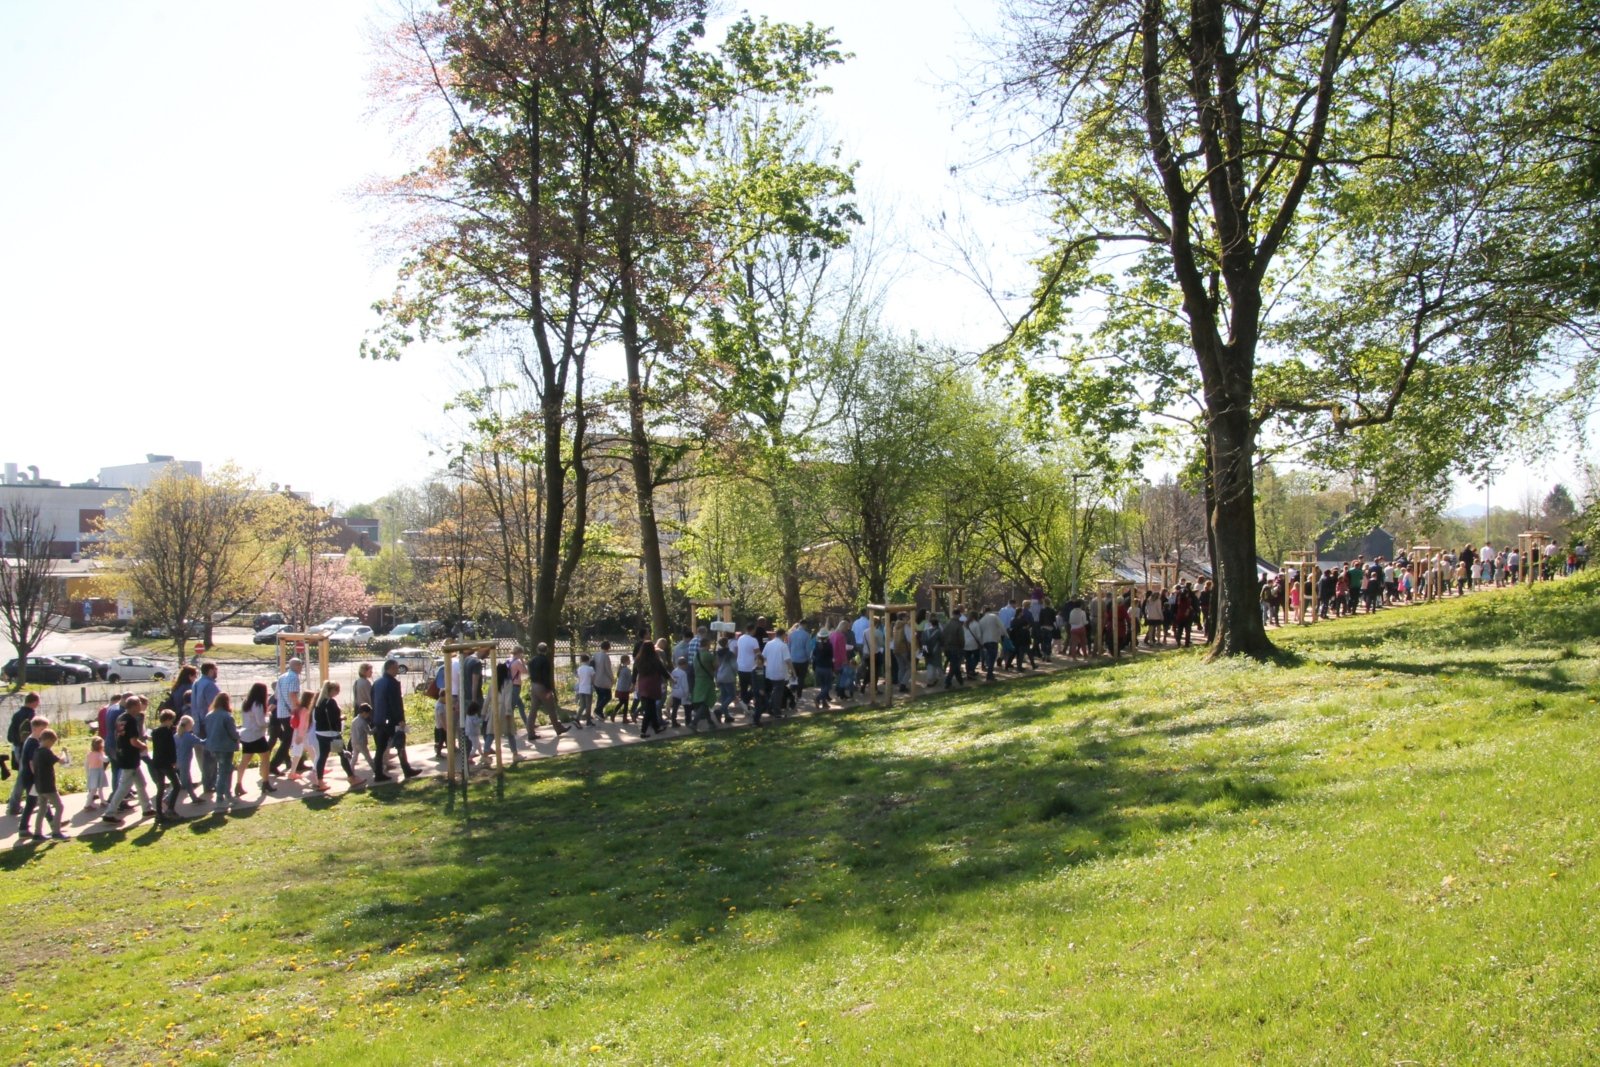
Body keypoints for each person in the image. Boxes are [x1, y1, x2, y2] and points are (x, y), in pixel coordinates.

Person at [102, 697, 155, 824]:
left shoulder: (121, 717)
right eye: (139, 705)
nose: (141, 707)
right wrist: (143, 746)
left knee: (141, 783)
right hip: (129, 757)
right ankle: (109, 813)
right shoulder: (131, 720)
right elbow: (133, 741)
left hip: (124, 754)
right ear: (134, 706)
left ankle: (147, 809)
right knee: (124, 787)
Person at [371, 659, 416, 781]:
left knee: (380, 748)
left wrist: (374, 718)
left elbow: (373, 702)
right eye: (396, 668)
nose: (397, 670)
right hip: (392, 720)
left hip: (379, 720)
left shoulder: (377, 683)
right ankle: (406, 769)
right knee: (400, 744)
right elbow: (395, 703)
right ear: (390, 668)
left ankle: (378, 773)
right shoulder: (392, 683)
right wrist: (400, 719)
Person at [203, 692, 241, 813]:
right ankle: (220, 798)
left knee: (225, 770)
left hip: (214, 747)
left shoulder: (209, 715)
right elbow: (233, 734)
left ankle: (227, 795)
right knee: (224, 772)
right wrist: (239, 733)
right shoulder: (227, 716)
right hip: (226, 747)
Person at [235, 682, 275, 796]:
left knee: (244, 761)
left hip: (246, 735)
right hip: (256, 735)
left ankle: (238, 784)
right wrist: (268, 716)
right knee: (265, 758)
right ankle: (265, 782)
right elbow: (261, 723)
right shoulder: (258, 704)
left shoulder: (246, 703)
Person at [6, 692, 42, 816]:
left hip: (17, 747)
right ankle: (14, 805)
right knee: (24, 776)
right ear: (34, 702)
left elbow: (10, 735)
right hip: (26, 749)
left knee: (27, 775)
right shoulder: (30, 715)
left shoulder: (17, 715)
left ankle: (34, 800)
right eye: (38, 701)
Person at [29, 729, 68, 841]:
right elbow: (61, 761)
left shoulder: (36, 752)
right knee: (59, 807)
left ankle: (37, 833)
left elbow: (32, 765)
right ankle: (56, 832)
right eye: (52, 743)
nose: (51, 745)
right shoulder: (46, 752)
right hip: (48, 786)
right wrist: (64, 753)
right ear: (47, 740)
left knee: (42, 809)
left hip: (39, 786)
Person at [189, 662, 220, 800]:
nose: (216, 671)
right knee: (211, 755)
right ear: (210, 670)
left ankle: (208, 781)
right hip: (208, 723)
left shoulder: (197, 683)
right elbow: (216, 705)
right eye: (215, 669)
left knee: (206, 755)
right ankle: (210, 783)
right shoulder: (210, 685)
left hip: (198, 722)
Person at [14, 715, 48, 837]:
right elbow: (32, 762)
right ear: (35, 728)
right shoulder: (33, 743)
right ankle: (53, 823)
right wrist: (38, 777)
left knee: (35, 801)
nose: (44, 732)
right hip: (32, 778)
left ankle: (53, 822)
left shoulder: (31, 740)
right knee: (37, 800)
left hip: (29, 777)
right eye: (43, 729)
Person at [149, 709, 183, 824]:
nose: (172, 723)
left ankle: (159, 813)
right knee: (177, 785)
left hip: (157, 762)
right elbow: (170, 748)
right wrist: (173, 761)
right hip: (166, 763)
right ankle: (170, 809)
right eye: (172, 721)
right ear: (168, 720)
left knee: (161, 788)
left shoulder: (155, 732)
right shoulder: (167, 732)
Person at [270, 658, 302, 774]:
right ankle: (273, 765)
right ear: (297, 666)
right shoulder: (294, 677)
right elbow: (293, 695)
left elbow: (277, 695)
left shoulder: (282, 677)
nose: (301, 668)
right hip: (291, 713)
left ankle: (298, 762)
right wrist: (297, 709)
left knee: (292, 739)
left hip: (282, 712)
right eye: (300, 665)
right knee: (289, 740)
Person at [527, 642, 565, 736]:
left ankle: (530, 732)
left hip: (534, 685)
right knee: (551, 708)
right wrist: (549, 690)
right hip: (542, 686)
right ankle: (558, 728)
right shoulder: (545, 661)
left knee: (533, 710)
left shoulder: (532, 660)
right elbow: (546, 677)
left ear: (537, 649)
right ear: (546, 650)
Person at [633, 642, 666, 737]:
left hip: (642, 685)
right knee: (649, 710)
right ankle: (643, 731)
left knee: (650, 708)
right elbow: (663, 671)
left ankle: (656, 728)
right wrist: (671, 679)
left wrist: (633, 684)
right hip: (653, 685)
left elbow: (634, 674)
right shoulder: (655, 660)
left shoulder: (638, 660)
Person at [760, 628, 792, 723]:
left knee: (775, 690)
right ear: (782, 635)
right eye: (785, 635)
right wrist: (792, 671)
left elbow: (763, 657)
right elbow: (788, 660)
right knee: (778, 692)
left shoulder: (769, 644)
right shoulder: (783, 646)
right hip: (780, 671)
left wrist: (767, 665)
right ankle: (776, 711)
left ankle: (770, 707)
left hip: (770, 671)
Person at [734, 624, 761, 712]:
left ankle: (744, 705)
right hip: (750, 667)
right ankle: (747, 701)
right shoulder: (754, 640)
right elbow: (758, 654)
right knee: (755, 686)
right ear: (752, 630)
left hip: (740, 666)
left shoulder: (740, 638)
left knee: (743, 687)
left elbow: (738, 651)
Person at [349, 704, 378, 778]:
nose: (368, 715)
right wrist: (377, 728)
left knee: (354, 757)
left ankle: (350, 771)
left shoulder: (354, 720)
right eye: (368, 714)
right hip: (361, 743)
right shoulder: (363, 722)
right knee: (368, 758)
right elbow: (370, 732)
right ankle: (376, 771)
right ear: (364, 713)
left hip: (354, 741)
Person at [813, 625, 836, 710]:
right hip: (827, 668)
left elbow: (814, 655)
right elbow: (831, 657)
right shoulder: (829, 645)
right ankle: (818, 698)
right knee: (828, 686)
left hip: (818, 667)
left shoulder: (817, 644)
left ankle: (824, 703)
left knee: (823, 686)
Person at [591, 642, 615, 723]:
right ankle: (597, 710)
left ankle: (599, 714)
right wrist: (612, 678)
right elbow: (608, 669)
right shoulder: (605, 656)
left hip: (596, 679)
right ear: (608, 647)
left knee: (600, 697)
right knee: (608, 697)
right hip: (603, 680)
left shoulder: (595, 655)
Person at [83, 735, 108, 809]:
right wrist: (109, 756)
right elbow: (105, 760)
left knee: (93, 789)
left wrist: (88, 773)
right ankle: (88, 805)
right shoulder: (100, 754)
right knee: (99, 789)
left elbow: (86, 764)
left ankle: (100, 801)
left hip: (92, 773)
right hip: (99, 772)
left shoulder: (89, 754)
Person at [574, 654, 596, 727]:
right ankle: (588, 721)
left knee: (582, 705)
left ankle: (577, 718)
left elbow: (578, 677)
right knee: (588, 705)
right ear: (588, 660)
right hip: (588, 688)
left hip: (581, 688)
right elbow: (593, 679)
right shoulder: (590, 669)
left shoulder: (579, 669)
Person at [668, 656, 689, 728]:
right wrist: (687, 693)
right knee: (687, 706)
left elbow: (671, 681)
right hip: (681, 692)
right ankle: (688, 721)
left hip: (675, 691)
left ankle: (673, 721)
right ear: (684, 664)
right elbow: (685, 684)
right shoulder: (683, 673)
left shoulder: (674, 671)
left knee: (675, 707)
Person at [614, 655, 634, 724]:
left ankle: (618, 715)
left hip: (619, 689)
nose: (630, 661)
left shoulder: (621, 669)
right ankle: (623, 718)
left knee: (622, 702)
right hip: (625, 689)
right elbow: (630, 680)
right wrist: (631, 688)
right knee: (625, 703)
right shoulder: (627, 670)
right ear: (626, 661)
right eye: (629, 660)